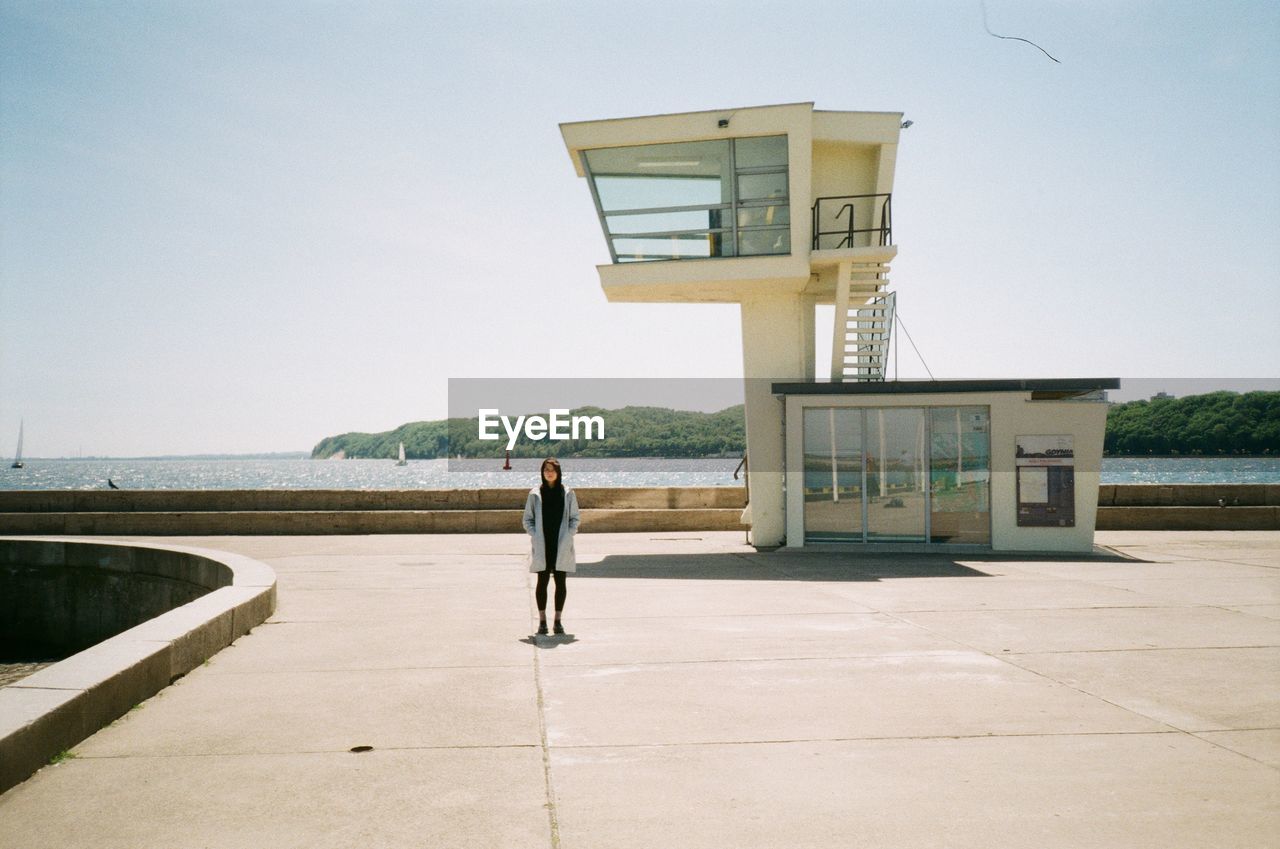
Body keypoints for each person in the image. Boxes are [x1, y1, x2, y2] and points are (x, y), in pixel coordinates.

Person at [522, 457, 579, 636]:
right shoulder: (535, 494)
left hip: (561, 543)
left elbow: (575, 518)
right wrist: (535, 534)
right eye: (546, 469)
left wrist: (569, 534)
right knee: (542, 581)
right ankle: (542, 622)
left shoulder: (568, 493)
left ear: (558, 472)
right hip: (543, 543)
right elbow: (527, 519)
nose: (549, 472)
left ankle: (558, 621)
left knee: (561, 582)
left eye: (552, 469)